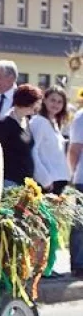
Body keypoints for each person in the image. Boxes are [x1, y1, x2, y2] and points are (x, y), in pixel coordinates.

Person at [0, 84, 40, 188]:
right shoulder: (3, 124)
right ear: (25, 103)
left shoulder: (27, 121)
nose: (35, 108)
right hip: (9, 180)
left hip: (26, 180)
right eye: (33, 104)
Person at [30, 85, 71, 194]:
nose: (56, 104)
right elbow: (33, 151)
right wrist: (45, 180)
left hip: (60, 179)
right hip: (48, 183)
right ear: (44, 100)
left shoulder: (55, 123)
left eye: (60, 102)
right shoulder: (38, 121)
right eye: (52, 100)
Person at [67, 109, 83, 278]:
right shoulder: (81, 117)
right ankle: (79, 264)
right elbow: (74, 150)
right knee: (80, 224)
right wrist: (72, 174)